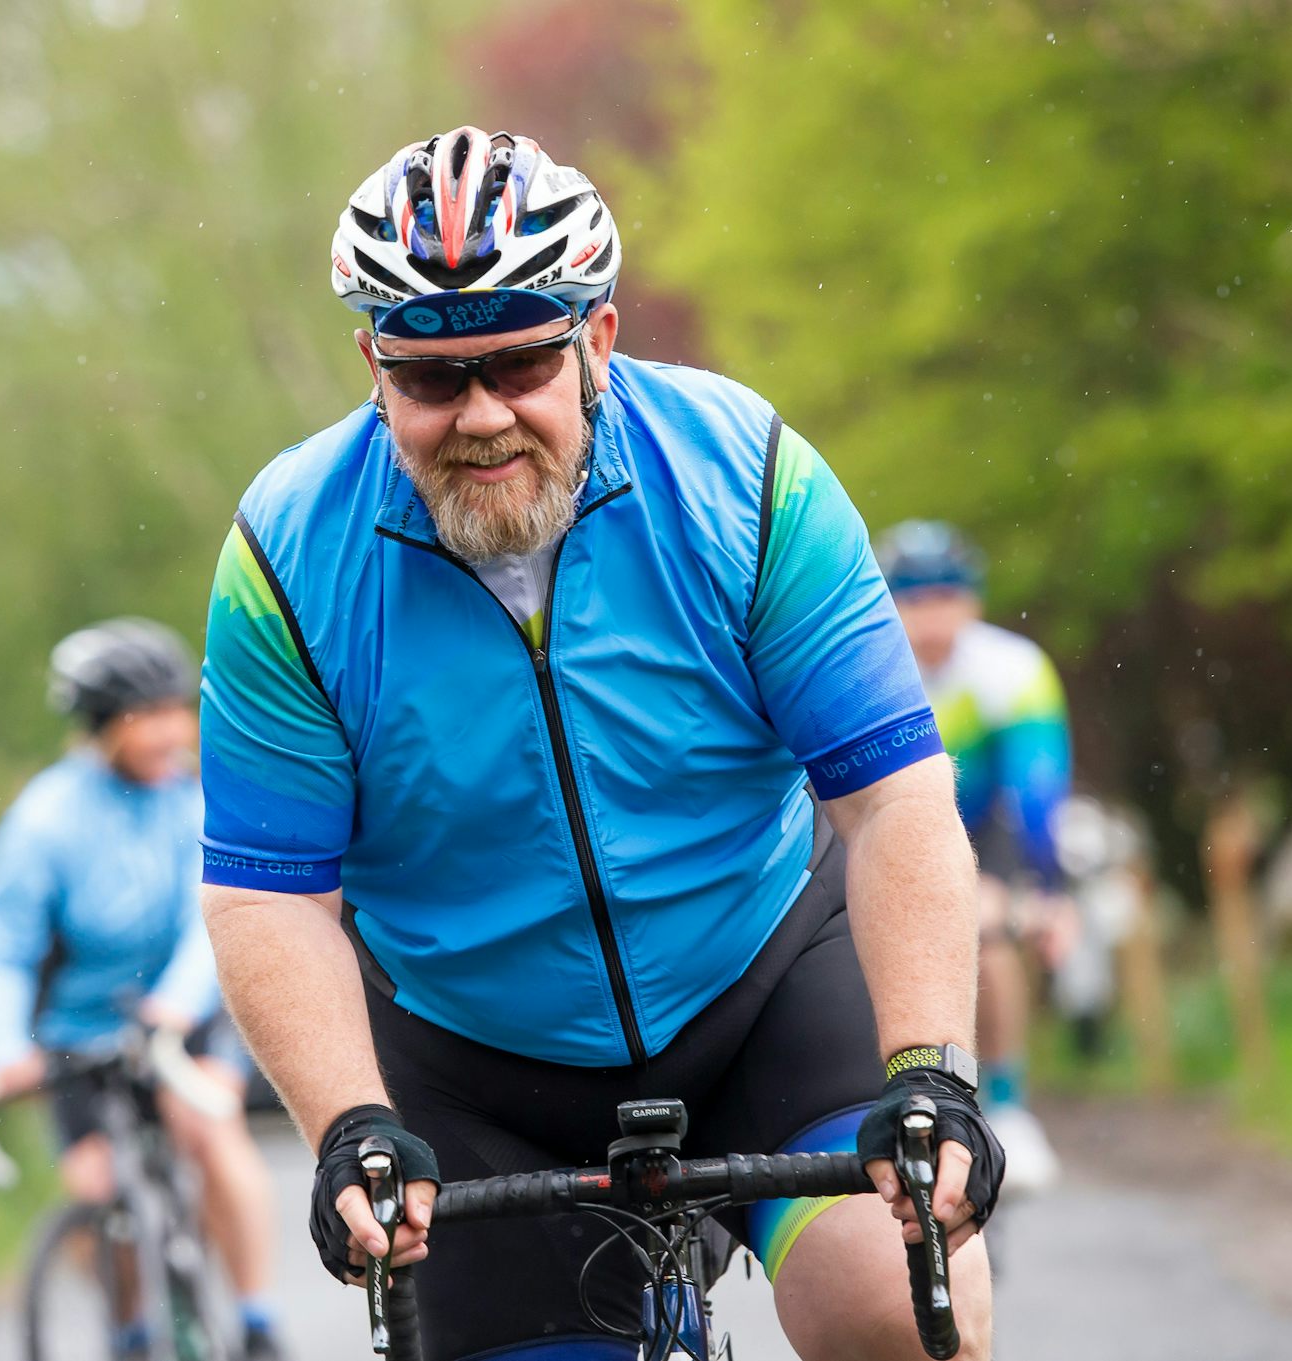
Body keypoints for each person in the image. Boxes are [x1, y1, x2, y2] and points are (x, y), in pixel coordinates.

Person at [200, 127, 1003, 1361]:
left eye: (519, 363)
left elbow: (894, 798)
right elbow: (270, 891)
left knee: (896, 1309)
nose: (479, 416)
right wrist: (350, 1118)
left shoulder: (748, 477)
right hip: (475, 1064)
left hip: (764, 980)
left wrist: (930, 1069)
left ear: (600, 338)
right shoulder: (287, 560)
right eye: (430, 379)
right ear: (373, 364)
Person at [0, 618, 286, 1359]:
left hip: (181, 1013)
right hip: (78, 1034)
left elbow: (214, 912)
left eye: (177, 710)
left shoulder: (191, 799)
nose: (171, 731)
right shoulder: (46, 821)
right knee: (97, 1186)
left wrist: (176, 1003)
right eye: (147, 717)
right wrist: (2, 1048)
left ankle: (260, 1321)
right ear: (103, 728)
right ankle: (133, 1327)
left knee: (209, 1127)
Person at [874, 521, 1075, 1191]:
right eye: (912, 598)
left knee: (985, 928)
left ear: (974, 601)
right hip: (883, 834)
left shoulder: (1010, 668)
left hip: (984, 838)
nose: (931, 616)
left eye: (946, 596)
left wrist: (1050, 892)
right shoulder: (863, 662)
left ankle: (1011, 1107)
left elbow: (1037, 794)